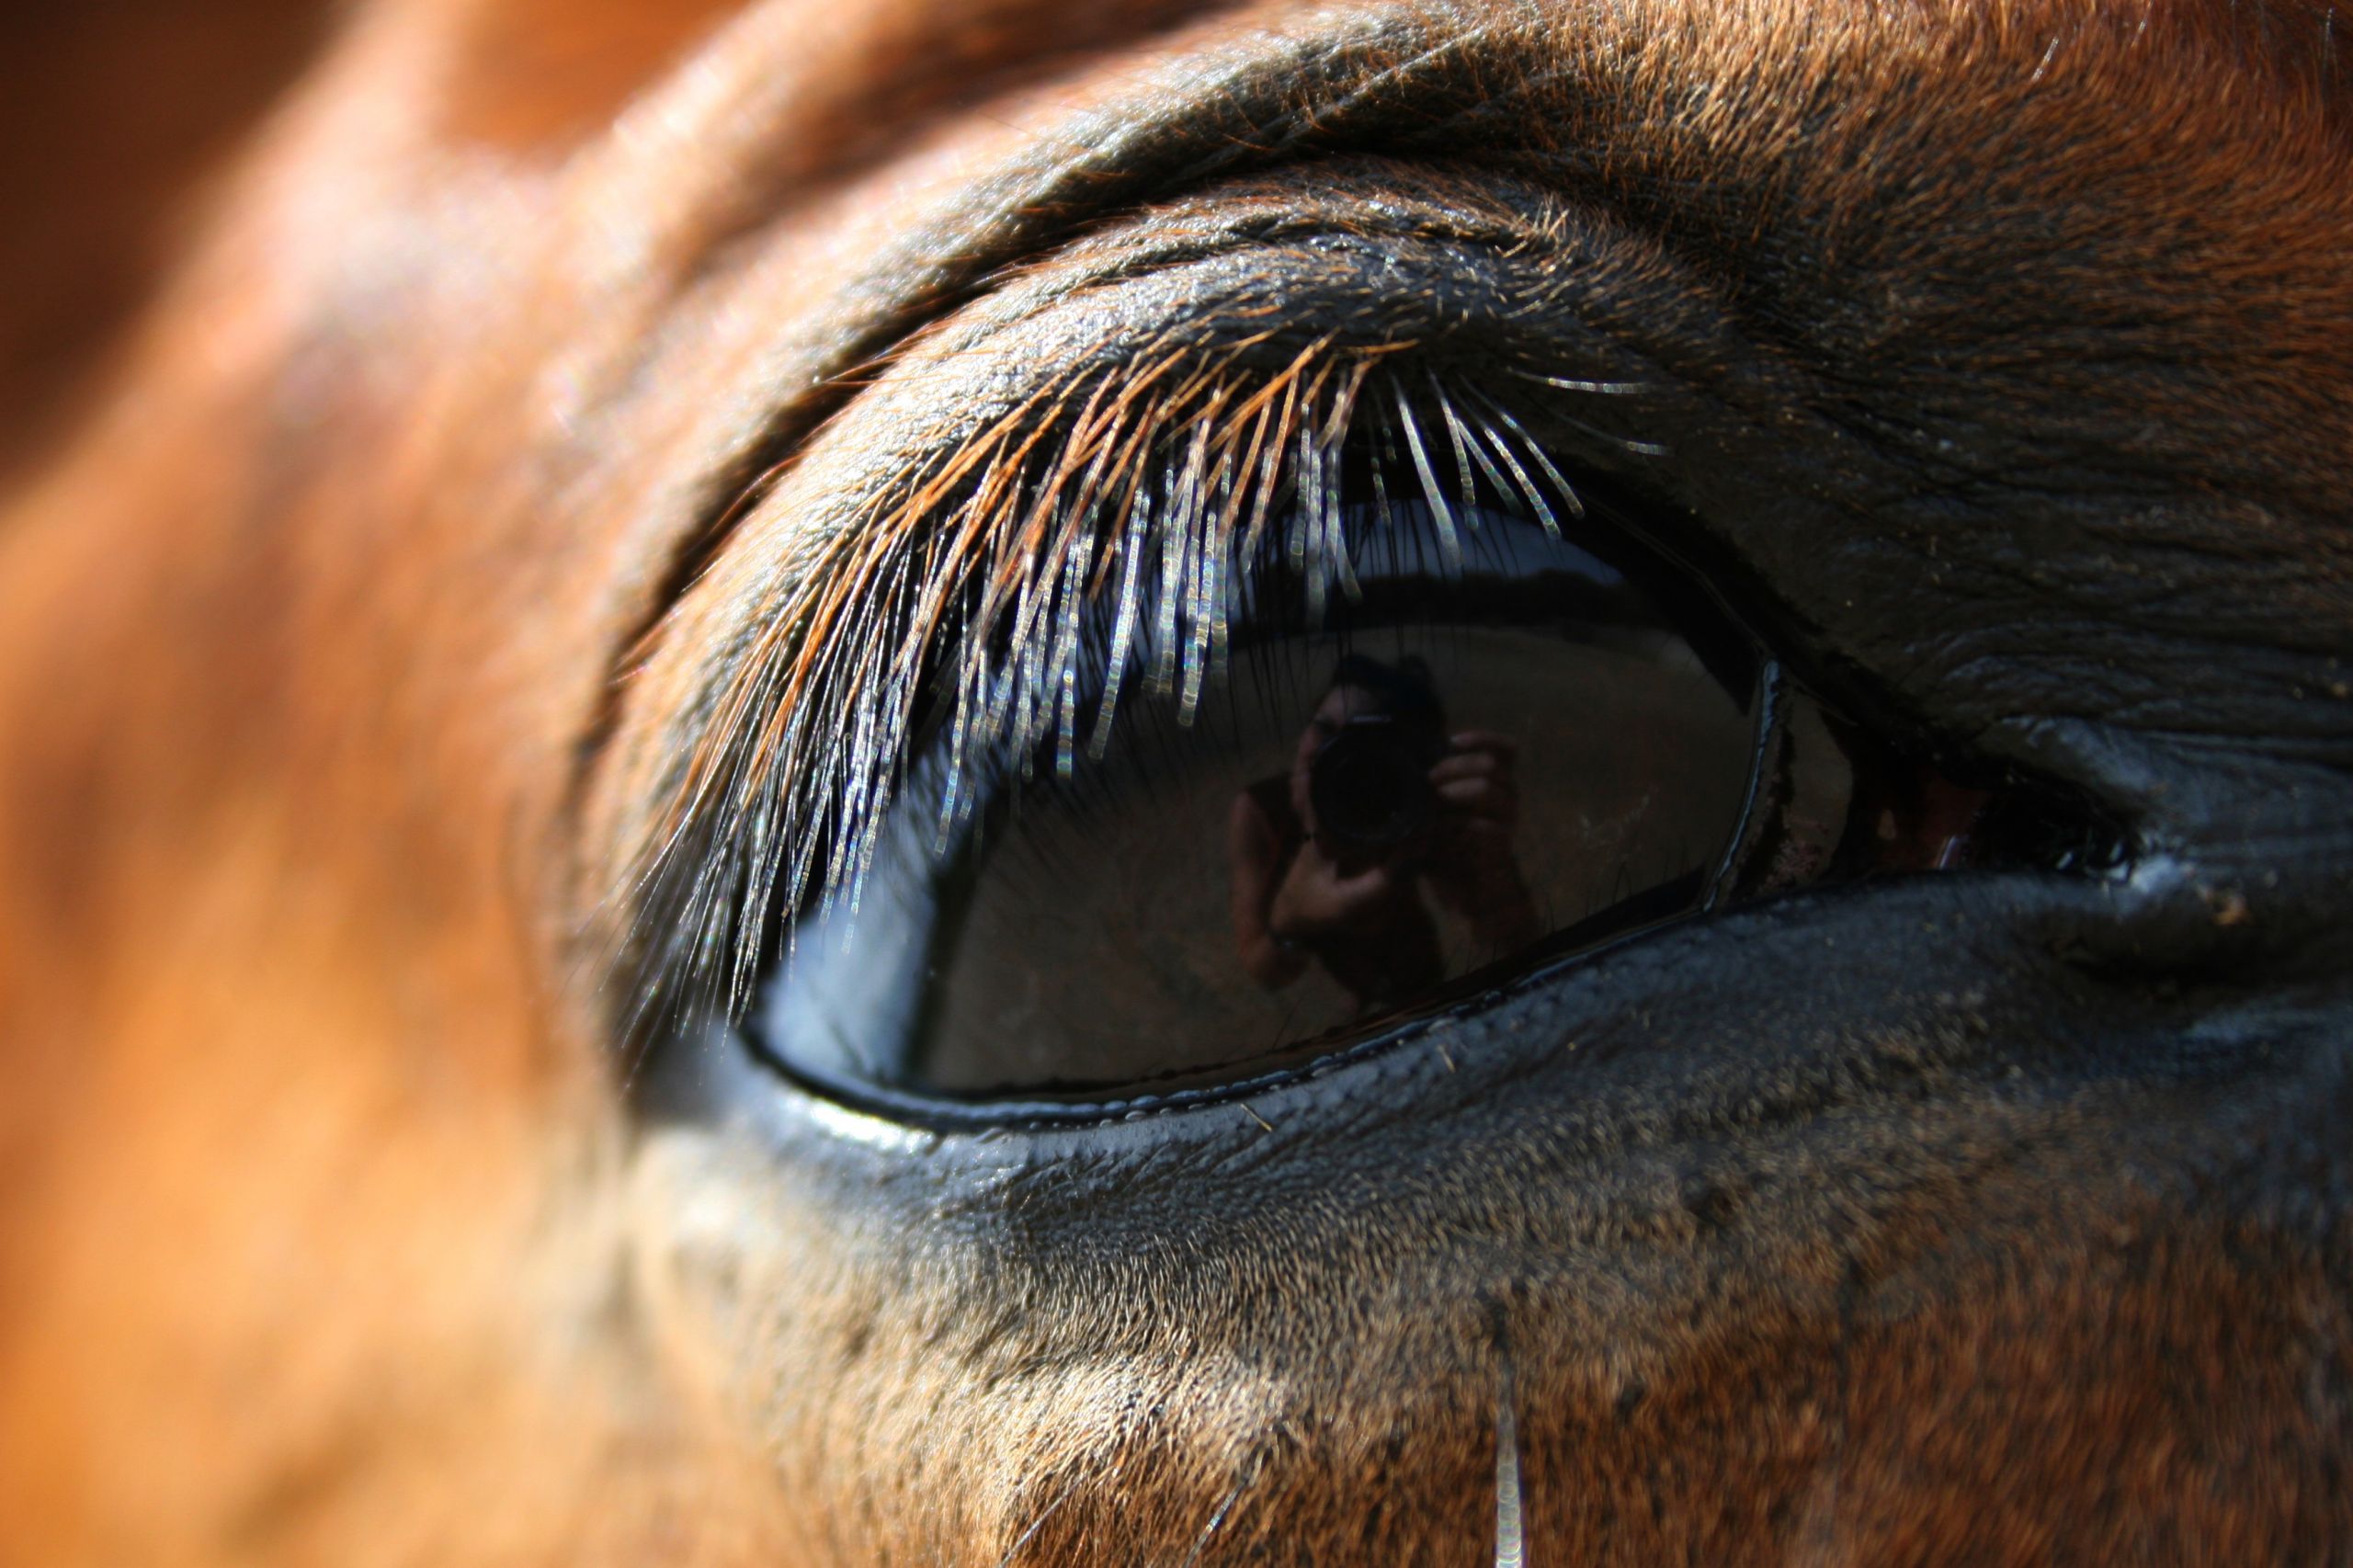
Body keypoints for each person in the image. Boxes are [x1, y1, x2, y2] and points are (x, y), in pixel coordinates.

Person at [1227, 653, 1540, 1012]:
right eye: (1326, 731)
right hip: (1355, 956)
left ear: (1416, 769)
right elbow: (1263, 970)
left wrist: (1493, 878)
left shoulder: (1420, 810)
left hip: (1409, 952)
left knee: (1417, 987)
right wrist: (1290, 918)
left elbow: (1512, 949)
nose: (1344, 767)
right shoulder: (1261, 810)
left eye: (1374, 759)